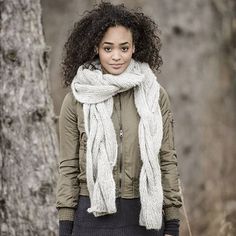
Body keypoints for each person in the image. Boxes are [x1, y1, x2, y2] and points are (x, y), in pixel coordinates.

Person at [56, 2, 182, 236]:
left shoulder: (155, 94)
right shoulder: (76, 98)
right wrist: (65, 224)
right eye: (108, 48)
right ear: (96, 47)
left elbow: (166, 159)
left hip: (144, 216)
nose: (116, 56)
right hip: (90, 216)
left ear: (134, 47)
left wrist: (173, 220)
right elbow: (68, 167)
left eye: (124, 48)